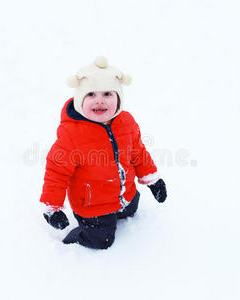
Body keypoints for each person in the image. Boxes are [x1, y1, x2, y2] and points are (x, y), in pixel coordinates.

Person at [40, 56, 167, 249]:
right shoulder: (71, 135)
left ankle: (121, 210)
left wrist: (153, 180)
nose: (100, 101)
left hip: (126, 193)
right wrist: (52, 208)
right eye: (91, 94)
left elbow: (138, 153)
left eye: (108, 93)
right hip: (93, 205)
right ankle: (83, 234)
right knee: (101, 241)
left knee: (130, 210)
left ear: (119, 98)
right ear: (79, 99)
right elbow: (56, 173)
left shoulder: (127, 123)